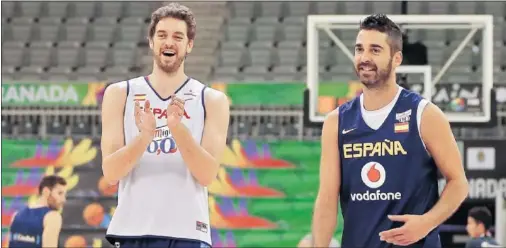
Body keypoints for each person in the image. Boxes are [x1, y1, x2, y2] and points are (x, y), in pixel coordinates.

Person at [311, 14, 469, 248]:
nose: (364, 57)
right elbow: (326, 200)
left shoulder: (424, 114)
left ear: (396, 59)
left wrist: (426, 223)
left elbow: (459, 183)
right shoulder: (336, 122)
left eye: (375, 50)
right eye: (359, 49)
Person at [100, 2, 230, 248]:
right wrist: (144, 137)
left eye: (178, 37)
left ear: (189, 45)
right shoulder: (120, 94)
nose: (169, 42)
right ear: (151, 42)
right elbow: (111, 173)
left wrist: (178, 129)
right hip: (132, 229)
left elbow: (207, 175)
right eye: (162, 35)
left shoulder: (212, 100)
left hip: (188, 231)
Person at [7, 175, 67, 248]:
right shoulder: (52, 217)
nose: (63, 199)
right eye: (60, 193)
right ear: (46, 192)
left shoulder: (16, 215)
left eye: (64, 195)